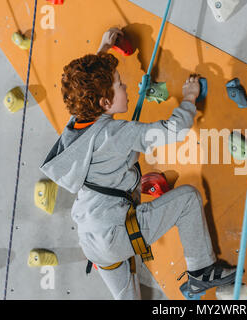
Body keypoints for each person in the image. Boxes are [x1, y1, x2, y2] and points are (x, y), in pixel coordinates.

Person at [40, 28, 236, 299]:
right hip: (116, 234)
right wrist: (190, 97)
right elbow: (174, 130)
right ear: (105, 101)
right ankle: (201, 270)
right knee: (188, 199)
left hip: (91, 238)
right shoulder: (117, 134)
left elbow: (85, 88)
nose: (125, 87)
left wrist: (103, 50)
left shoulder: (74, 127)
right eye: (120, 85)